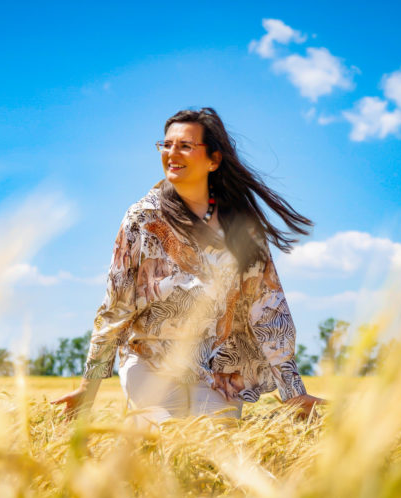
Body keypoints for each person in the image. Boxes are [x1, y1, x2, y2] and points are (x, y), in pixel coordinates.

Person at [54, 107, 324, 425]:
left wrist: (293, 391)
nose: (172, 153)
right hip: (150, 358)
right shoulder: (143, 218)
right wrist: (88, 388)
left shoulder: (242, 228)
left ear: (213, 160)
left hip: (218, 366)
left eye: (184, 145)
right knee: (165, 433)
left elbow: (269, 310)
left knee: (214, 442)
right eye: (166, 145)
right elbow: (116, 307)